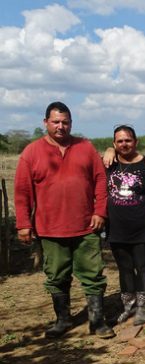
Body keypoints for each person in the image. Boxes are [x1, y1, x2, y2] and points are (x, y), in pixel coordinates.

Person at [13, 101, 114, 338]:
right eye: (56, 122)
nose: (61, 126)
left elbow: (101, 181)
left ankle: (97, 321)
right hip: (50, 228)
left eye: (65, 122)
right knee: (57, 275)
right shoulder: (31, 152)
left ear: (71, 123)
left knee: (93, 274)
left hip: (86, 226)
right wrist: (23, 224)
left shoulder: (85, 147)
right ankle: (63, 320)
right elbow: (22, 192)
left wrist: (100, 211)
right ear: (45, 122)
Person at [106, 125, 145, 326]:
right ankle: (128, 305)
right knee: (124, 268)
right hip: (117, 228)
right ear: (114, 144)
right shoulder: (109, 164)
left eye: (128, 140)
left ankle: (143, 307)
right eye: (120, 141)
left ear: (136, 142)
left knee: (143, 267)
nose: (124, 144)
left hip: (144, 227)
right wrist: (108, 152)